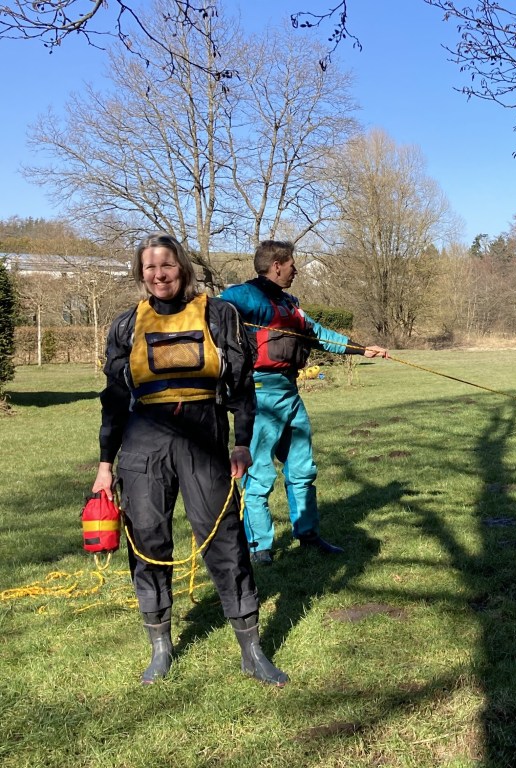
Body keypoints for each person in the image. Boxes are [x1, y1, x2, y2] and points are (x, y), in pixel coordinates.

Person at [92, 233, 287, 687]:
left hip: (204, 433)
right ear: (141, 274)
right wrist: (105, 463)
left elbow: (241, 385)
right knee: (148, 539)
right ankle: (160, 647)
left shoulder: (219, 315)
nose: (159, 275)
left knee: (224, 538)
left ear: (183, 267)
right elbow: (114, 398)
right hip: (144, 441)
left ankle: (251, 649)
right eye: (149, 268)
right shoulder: (126, 326)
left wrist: (241, 441)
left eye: (167, 266)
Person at [220, 240, 388, 565]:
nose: (296, 269)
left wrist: (362, 349)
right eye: (292, 264)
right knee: (260, 474)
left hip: (289, 393)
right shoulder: (244, 296)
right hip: (259, 396)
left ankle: (307, 535)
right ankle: (259, 548)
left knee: (302, 468)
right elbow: (212, 311)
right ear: (277, 265)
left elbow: (320, 334)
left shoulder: (290, 305)